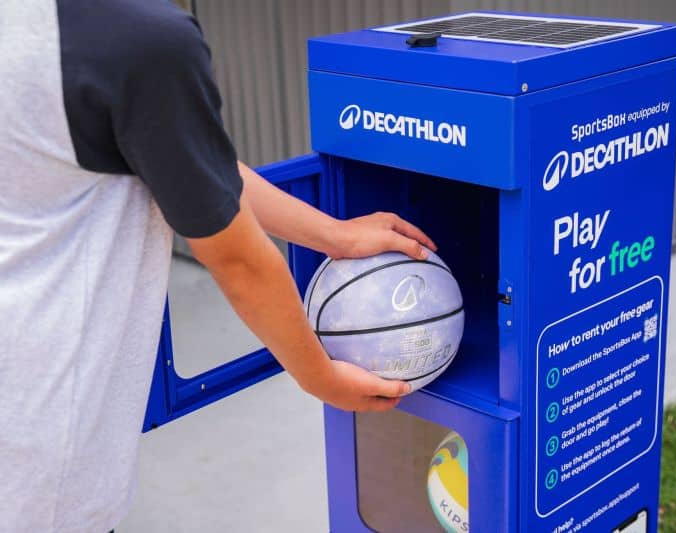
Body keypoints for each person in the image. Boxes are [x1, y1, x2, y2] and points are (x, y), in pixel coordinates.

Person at [0, 1, 435, 531]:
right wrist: (321, 377)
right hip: (36, 465)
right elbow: (239, 261)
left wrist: (335, 236)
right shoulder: (136, 37)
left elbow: (177, 157)